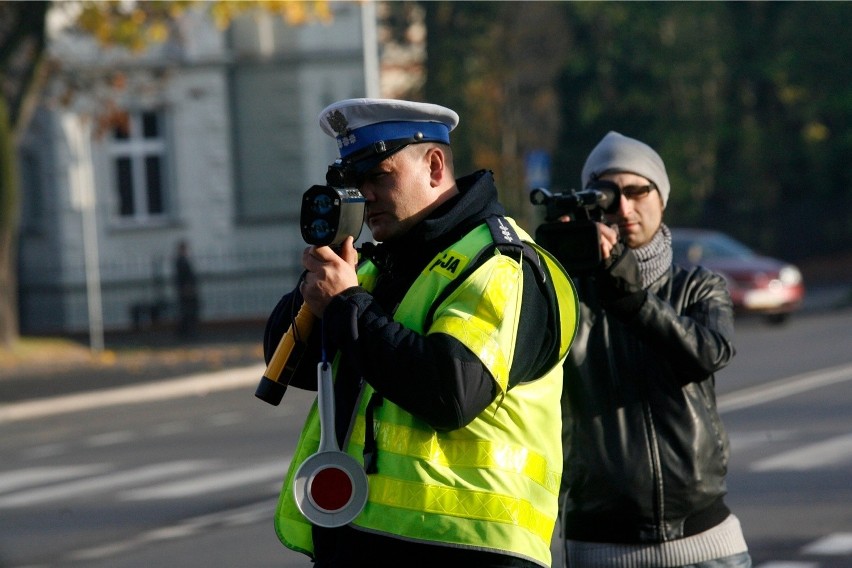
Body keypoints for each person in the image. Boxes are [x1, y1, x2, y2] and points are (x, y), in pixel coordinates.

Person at [263, 98, 579, 568]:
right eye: (353, 181)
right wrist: (320, 281)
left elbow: (451, 392)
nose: (363, 195)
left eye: (379, 176)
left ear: (433, 166)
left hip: (471, 547)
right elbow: (293, 367)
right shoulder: (377, 264)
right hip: (368, 542)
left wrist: (349, 305)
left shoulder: (497, 264)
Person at [557, 131, 751, 567]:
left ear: (660, 197)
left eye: (636, 191)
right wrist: (549, 274)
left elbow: (707, 353)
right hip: (602, 545)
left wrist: (631, 299)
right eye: (608, 196)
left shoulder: (698, 286)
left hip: (706, 542)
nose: (624, 208)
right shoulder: (569, 294)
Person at [174, 239, 199, 337]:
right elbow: (183, 276)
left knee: (188, 310)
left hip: (187, 289)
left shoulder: (182, 260)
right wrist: (187, 288)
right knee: (187, 311)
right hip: (186, 290)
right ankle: (186, 332)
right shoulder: (180, 261)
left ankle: (186, 331)